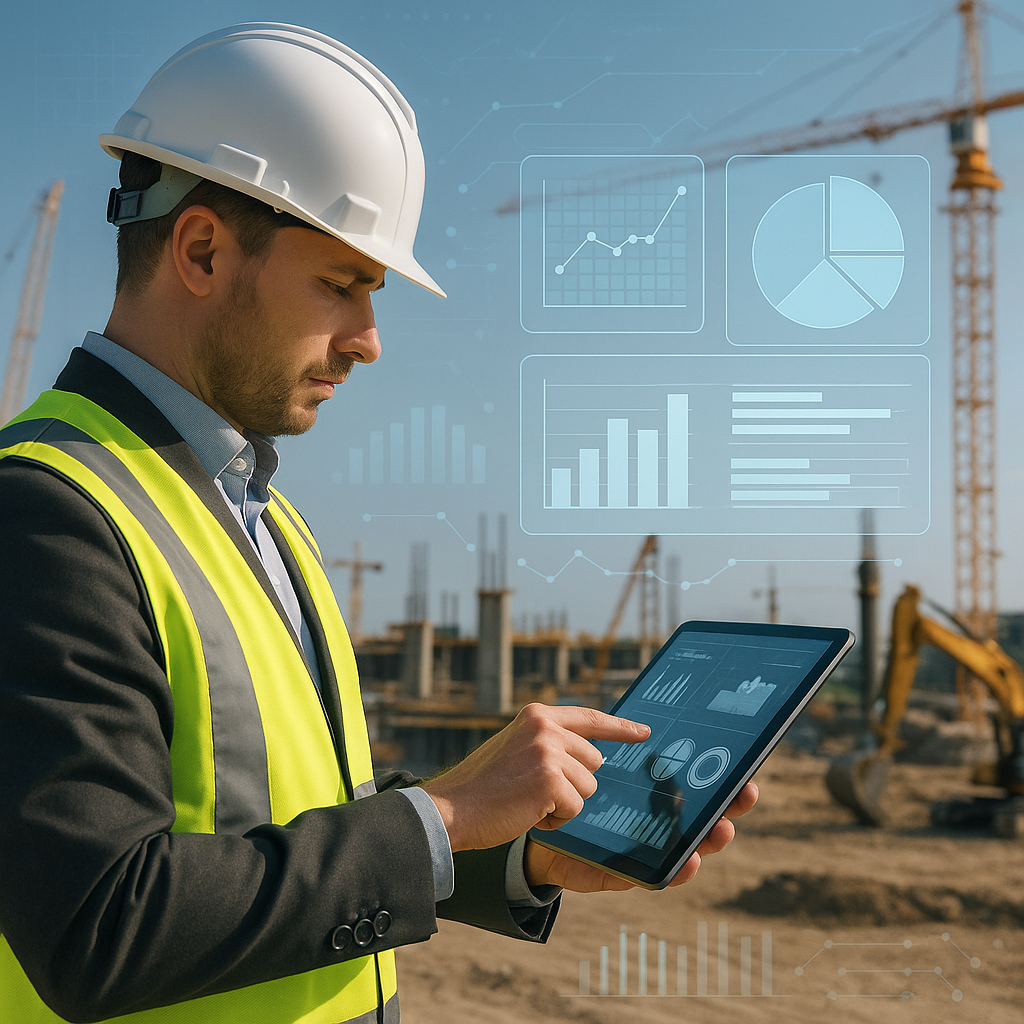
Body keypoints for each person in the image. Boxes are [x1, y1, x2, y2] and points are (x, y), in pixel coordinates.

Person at [0, 23, 756, 1024]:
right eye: (343, 283)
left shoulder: (258, 515)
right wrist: (442, 816)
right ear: (200, 248)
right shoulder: (49, 509)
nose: (369, 341)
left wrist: (517, 847)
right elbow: (98, 921)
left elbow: (286, 815)